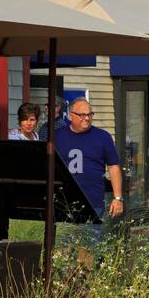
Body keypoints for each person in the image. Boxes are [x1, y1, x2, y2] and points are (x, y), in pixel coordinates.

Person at [54, 97, 122, 240]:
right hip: (63, 203)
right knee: (62, 248)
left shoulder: (102, 137)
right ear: (71, 115)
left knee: (88, 248)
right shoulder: (58, 136)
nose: (86, 118)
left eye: (89, 114)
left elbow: (113, 167)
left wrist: (117, 198)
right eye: (82, 115)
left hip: (92, 201)